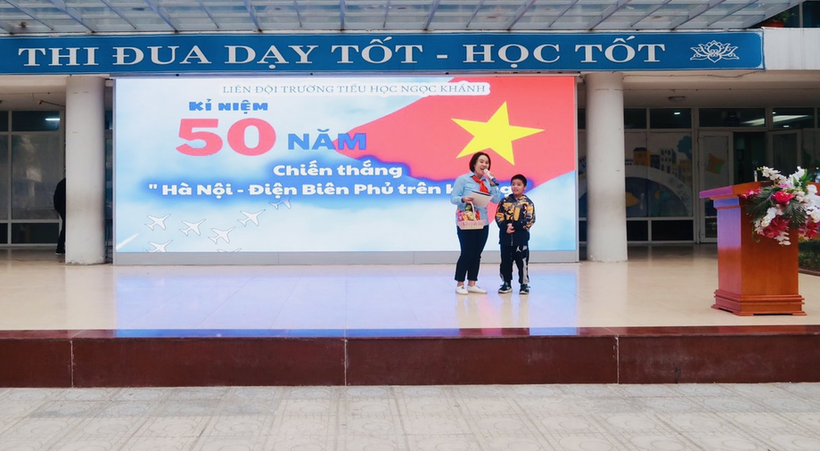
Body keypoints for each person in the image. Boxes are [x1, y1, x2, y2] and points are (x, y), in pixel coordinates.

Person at [450, 152, 502, 295]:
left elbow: (496, 200)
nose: (484, 165)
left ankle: (472, 283)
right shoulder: (463, 179)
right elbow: (453, 198)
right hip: (466, 221)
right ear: (474, 164)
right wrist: (464, 199)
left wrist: (493, 185)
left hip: (482, 221)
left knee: (477, 253)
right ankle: (460, 284)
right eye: (481, 161)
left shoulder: (487, 182)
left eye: (487, 162)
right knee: (467, 252)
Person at [495, 174, 536, 295]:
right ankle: (506, 283)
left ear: (524, 187)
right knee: (505, 262)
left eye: (518, 185)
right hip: (505, 238)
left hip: (521, 239)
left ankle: (524, 284)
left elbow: (530, 219)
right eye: (513, 184)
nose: (515, 187)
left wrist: (516, 226)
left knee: (522, 262)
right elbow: (498, 216)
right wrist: (505, 226)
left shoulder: (528, 203)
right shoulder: (504, 201)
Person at [53, 177, 66, 255]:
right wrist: (57, 207)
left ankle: (60, 248)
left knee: (66, 228)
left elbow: (56, 196)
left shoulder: (62, 183)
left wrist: (57, 207)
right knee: (66, 228)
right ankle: (60, 248)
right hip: (64, 208)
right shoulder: (64, 183)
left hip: (63, 208)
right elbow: (57, 196)